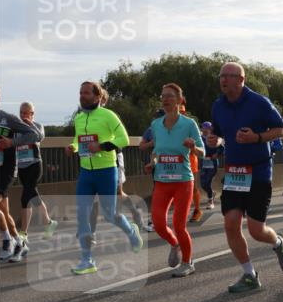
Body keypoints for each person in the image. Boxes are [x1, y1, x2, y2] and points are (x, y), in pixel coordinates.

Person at [207, 62, 283, 293]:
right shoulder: (218, 105)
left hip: (258, 170)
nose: (223, 80)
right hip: (235, 172)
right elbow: (219, 134)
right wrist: (215, 141)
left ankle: (277, 243)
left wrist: (256, 137)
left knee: (256, 230)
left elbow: (281, 130)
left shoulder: (259, 102)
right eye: (221, 75)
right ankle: (249, 274)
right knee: (231, 224)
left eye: (228, 76)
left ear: (241, 79)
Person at [65, 81, 143, 274]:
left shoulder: (108, 115)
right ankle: (87, 260)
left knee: (110, 215)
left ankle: (132, 231)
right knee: (82, 215)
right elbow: (78, 140)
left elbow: (123, 139)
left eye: (86, 93)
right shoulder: (80, 117)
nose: (82, 96)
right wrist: (72, 147)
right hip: (85, 173)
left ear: (97, 96)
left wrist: (101, 146)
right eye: (80, 92)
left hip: (106, 171)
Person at [145, 83, 204, 276]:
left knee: (179, 225)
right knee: (158, 223)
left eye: (169, 96)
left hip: (183, 182)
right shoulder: (155, 124)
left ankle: (187, 263)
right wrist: (152, 162)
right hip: (162, 180)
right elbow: (156, 150)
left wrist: (193, 147)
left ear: (179, 100)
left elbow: (203, 152)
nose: (165, 99)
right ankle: (174, 243)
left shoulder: (189, 124)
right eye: (163, 96)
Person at [0, 87, 43, 261]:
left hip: (5, 169)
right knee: (3, 212)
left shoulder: (8, 118)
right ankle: (19, 243)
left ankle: (8, 241)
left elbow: (34, 135)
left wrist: (11, 142)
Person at [13, 101, 58, 257]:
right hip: (22, 167)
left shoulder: (37, 125)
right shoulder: (16, 129)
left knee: (26, 196)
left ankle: (23, 234)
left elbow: (39, 137)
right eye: (22, 113)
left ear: (33, 114)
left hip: (34, 165)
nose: (24, 116)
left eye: (27, 113)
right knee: (32, 195)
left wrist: (28, 124)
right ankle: (49, 222)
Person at [200, 121, 222, 209]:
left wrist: (217, 154)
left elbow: (222, 148)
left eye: (207, 128)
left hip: (212, 163)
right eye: (203, 128)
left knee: (208, 182)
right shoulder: (200, 138)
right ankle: (211, 193)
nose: (204, 130)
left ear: (210, 129)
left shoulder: (214, 137)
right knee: (203, 184)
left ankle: (210, 201)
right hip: (203, 163)